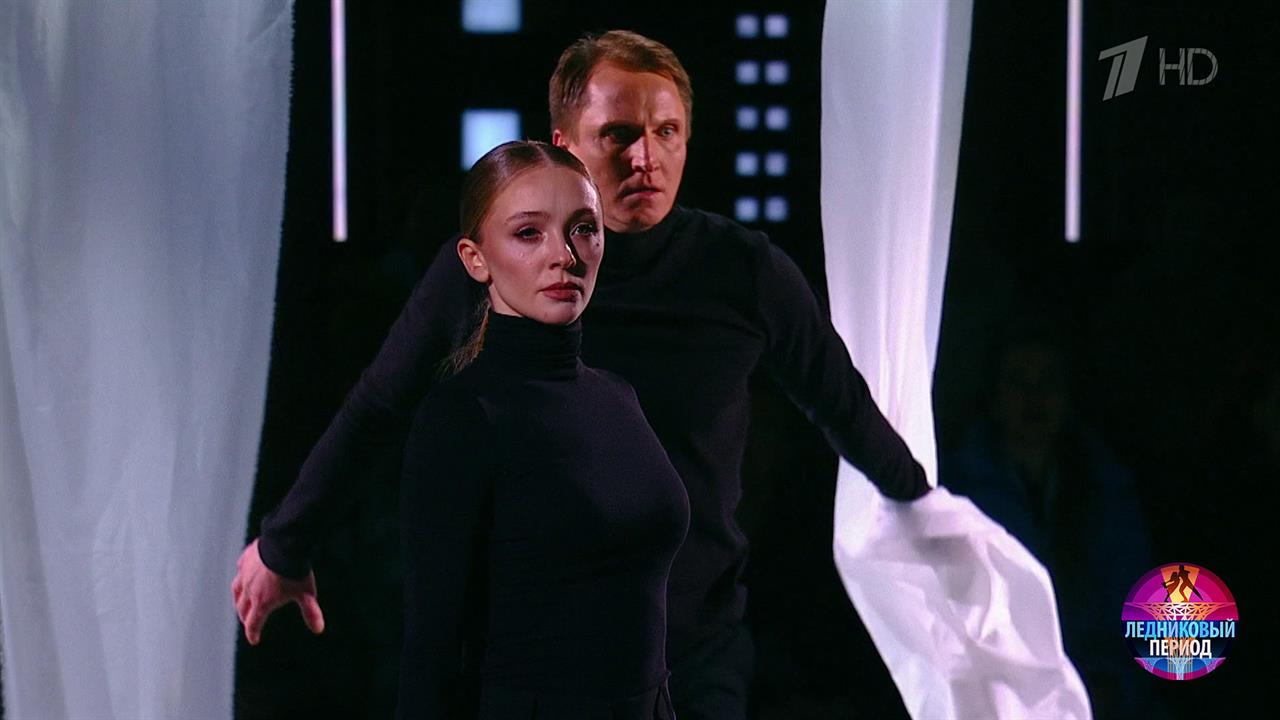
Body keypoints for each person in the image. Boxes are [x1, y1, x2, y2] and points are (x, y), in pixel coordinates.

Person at [234, 30, 931, 718]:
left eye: (666, 132)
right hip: (539, 661)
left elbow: (842, 406)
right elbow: (379, 404)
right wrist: (287, 541)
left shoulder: (744, 271)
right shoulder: (495, 266)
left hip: (695, 649)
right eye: (619, 134)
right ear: (563, 144)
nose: (645, 157)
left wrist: (933, 515)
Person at [396, 140, 686, 718]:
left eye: (584, 229)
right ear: (475, 258)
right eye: (529, 233)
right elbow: (430, 649)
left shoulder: (618, 396)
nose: (564, 256)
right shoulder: (462, 417)